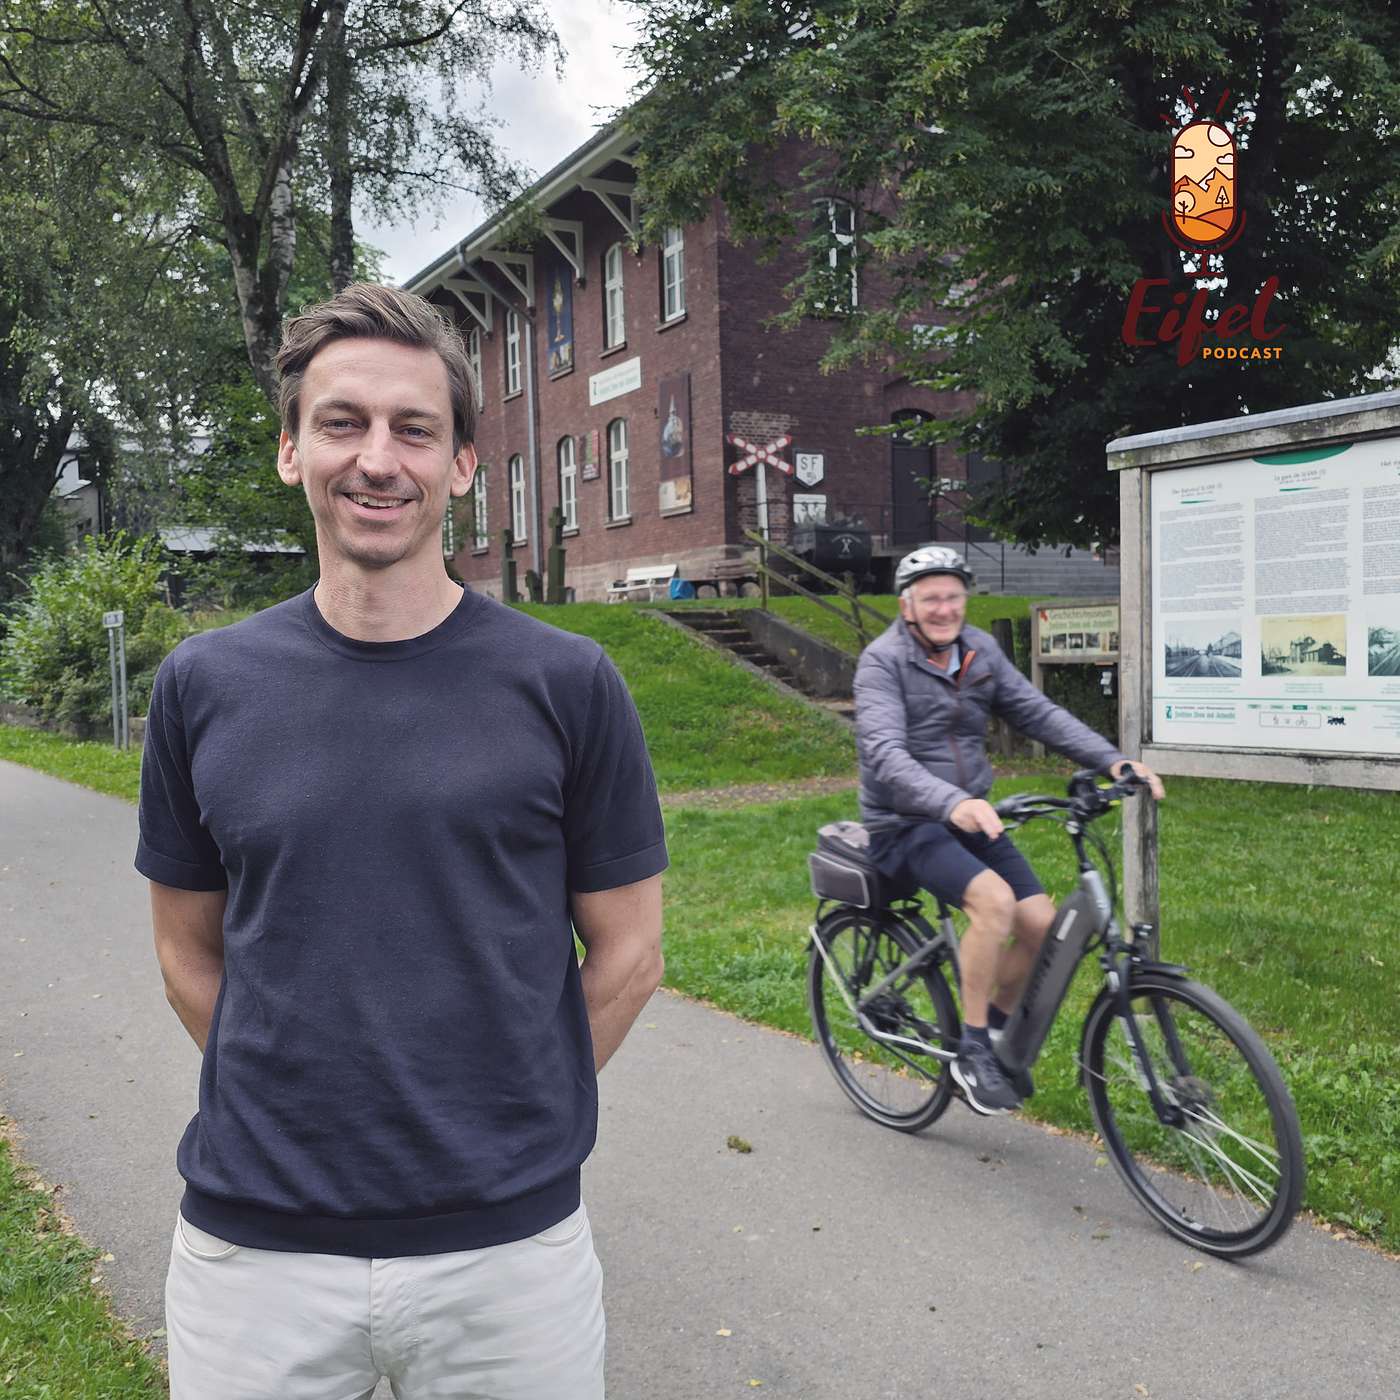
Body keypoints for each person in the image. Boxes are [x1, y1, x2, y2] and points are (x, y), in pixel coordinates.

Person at [136, 283, 667, 1400]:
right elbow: (188, 951)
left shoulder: (567, 683)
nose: (377, 458)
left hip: (509, 1255)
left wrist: (521, 1103)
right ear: (292, 451)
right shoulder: (203, 684)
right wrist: (290, 1097)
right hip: (254, 1255)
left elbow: (628, 952)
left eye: (413, 429)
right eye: (342, 422)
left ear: (464, 463)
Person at [853, 546, 1162, 1116]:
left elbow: (1037, 712)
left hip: (970, 814)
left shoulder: (979, 651)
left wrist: (1114, 761)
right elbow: (884, 753)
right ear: (907, 605)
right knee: (994, 905)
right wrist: (951, 803)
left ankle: (993, 1031)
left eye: (953, 596)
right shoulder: (882, 661)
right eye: (931, 598)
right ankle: (969, 1054)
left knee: (1042, 923)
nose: (945, 609)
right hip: (904, 822)